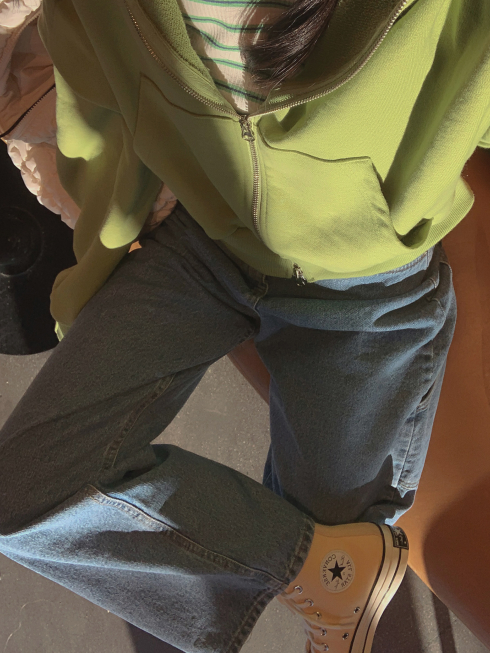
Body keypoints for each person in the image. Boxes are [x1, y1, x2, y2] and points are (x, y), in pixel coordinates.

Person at [0, 0, 488, 651]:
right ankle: (324, 578)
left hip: (359, 280)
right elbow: (94, 110)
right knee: (23, 493)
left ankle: (328, 583)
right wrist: (97, 267)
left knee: (330, 524)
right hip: (205, 238)